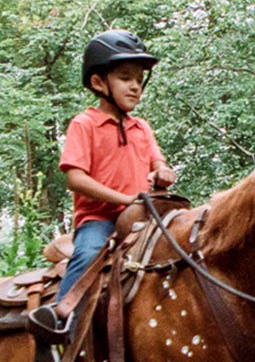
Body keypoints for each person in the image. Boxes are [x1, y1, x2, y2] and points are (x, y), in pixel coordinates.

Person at [50, 29, 178, 322]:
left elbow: (158, 163)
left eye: (138, 79)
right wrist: (126, 199)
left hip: (144, 220)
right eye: (125, 77)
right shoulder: (84, 124)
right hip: (100, 221)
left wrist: (163, 172)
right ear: (98, 82)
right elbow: (76, 179)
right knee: (89, 254)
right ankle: (58, 322)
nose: (135, 87)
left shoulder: (141, 127)